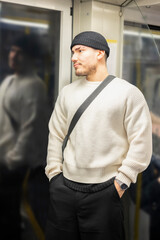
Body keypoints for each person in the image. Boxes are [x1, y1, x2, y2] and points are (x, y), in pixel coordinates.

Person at [45, 31, 152, 240]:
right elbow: (56, 135)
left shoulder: (127, 93)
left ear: (100, 53)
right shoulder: (67, 92)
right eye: (72, 52)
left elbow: (141, 143)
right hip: (64, 188)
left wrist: (121, 183)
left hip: (106, 191)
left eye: (80, 51)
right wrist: (54, 175)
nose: (74, 57)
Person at [0, 35, 49, 240]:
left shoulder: (34, 86)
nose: (14, 56)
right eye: (12, 51)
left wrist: (12, 160)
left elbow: (29, 129)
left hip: (18, 166)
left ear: (30, 58)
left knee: (11, 217)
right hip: (5, 160)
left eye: (20, 53)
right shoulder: (9, 81)